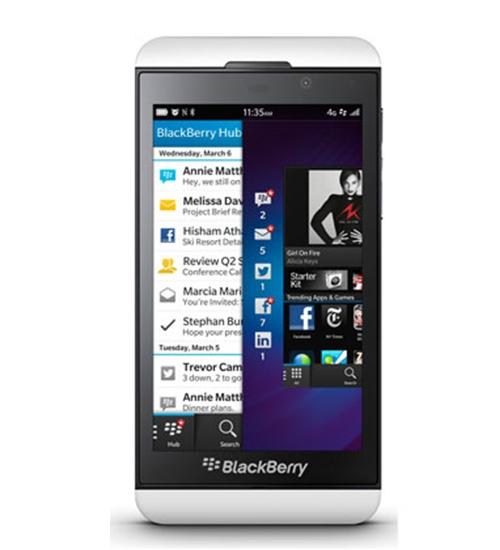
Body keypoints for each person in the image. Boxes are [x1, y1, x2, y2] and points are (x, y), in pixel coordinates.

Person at [310, 169, 362, 245]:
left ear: (359, 183)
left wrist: (367, 238)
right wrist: (330, 241)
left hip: (362, 249)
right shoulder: (334, 200)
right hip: (340, 249)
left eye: (353, 183)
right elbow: (315, 221)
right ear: (341, 183)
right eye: (346, 183)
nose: (350, 187)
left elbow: (376, 223)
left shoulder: (364, 200)